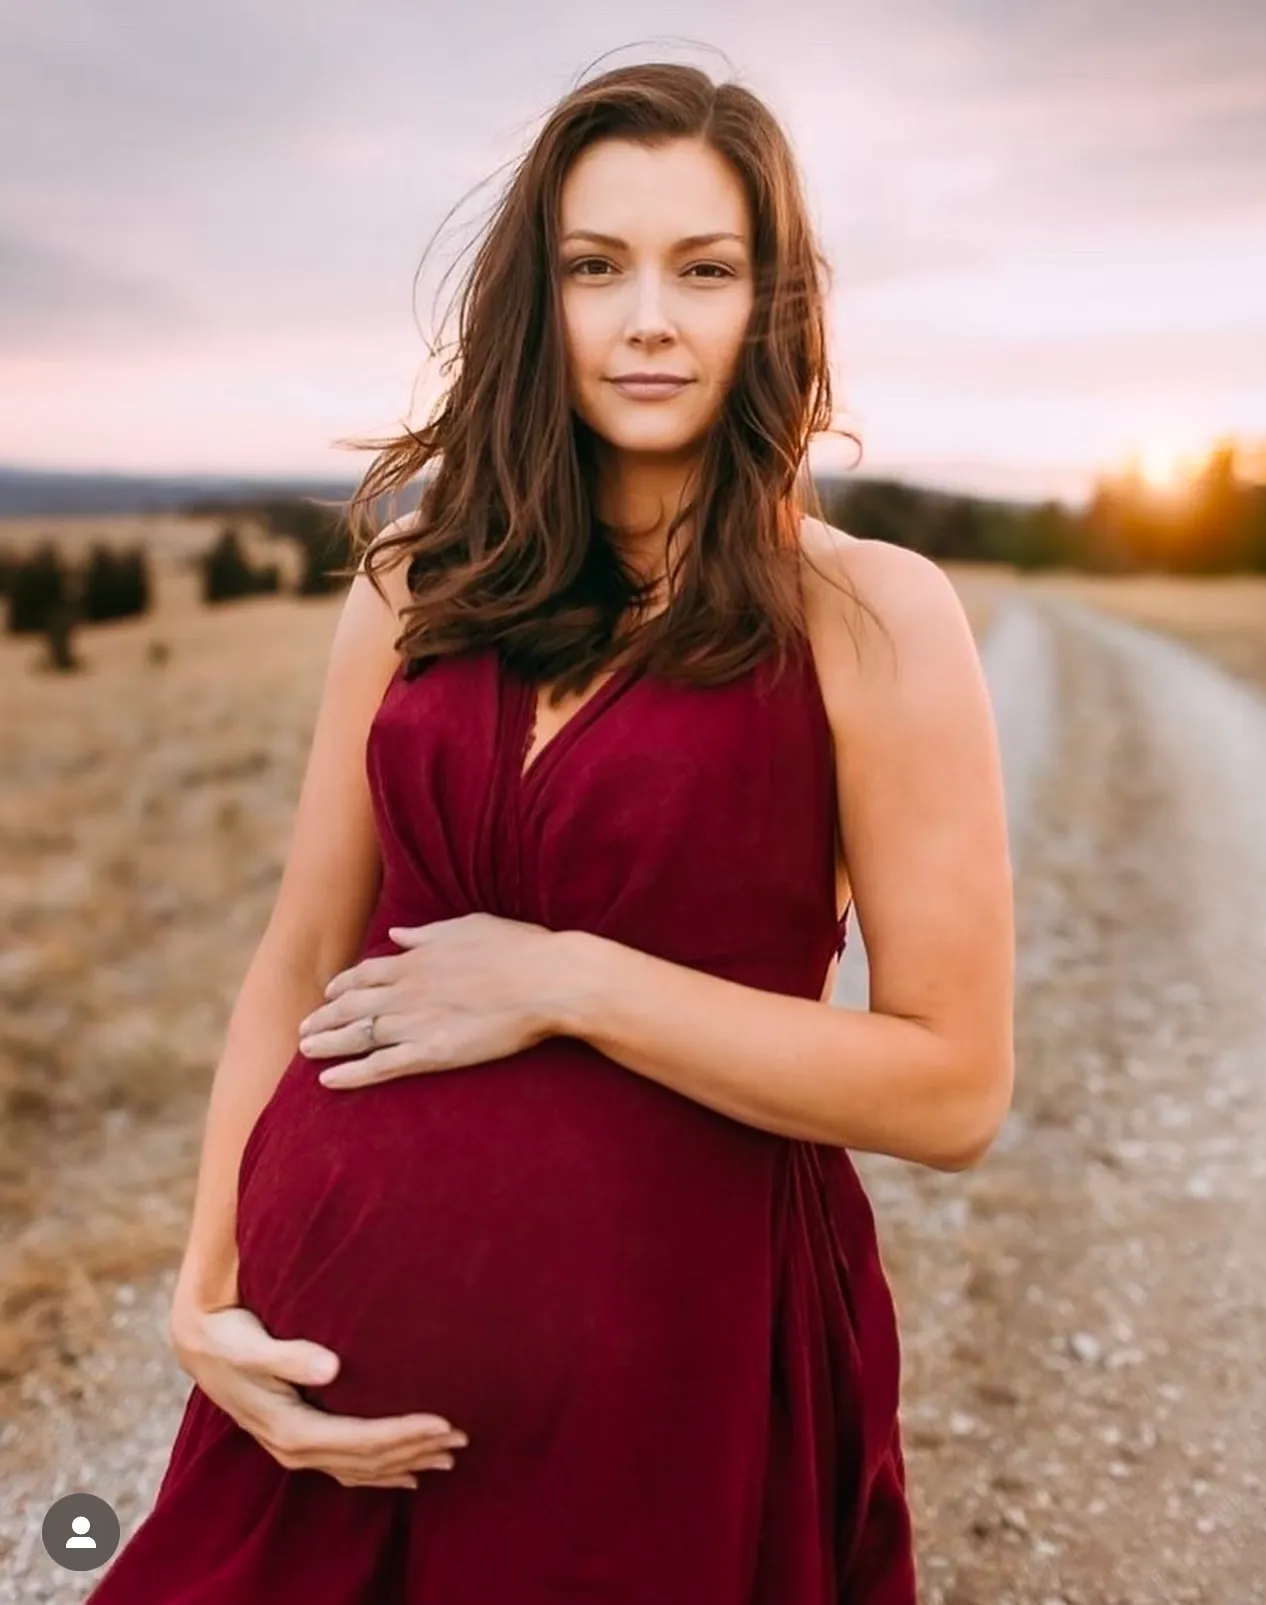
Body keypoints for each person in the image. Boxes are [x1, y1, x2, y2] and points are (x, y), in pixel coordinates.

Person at [88, 58, 1014, 1604]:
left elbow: (953, 1085)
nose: (648, 317)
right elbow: (301, 957)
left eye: (703, 269)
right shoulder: (414, 586)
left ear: (769, 305)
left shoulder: (868, 616)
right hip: (317, 1416)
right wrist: (204, 1295)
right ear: (541, 295)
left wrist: (570, 979)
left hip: (671, 1398)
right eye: (597, 267)